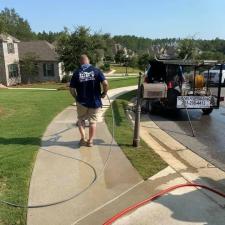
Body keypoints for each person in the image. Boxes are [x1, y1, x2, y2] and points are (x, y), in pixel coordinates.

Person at [69, 54, 109, 147]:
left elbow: (71, 89)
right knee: (92, 121)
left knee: (81, 120)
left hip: (81, 102)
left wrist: (76, 98)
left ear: (80, 62)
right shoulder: (96, 71)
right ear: (89, 61)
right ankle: (90, 141)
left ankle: (83, 139)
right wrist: (104, 93)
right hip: (95, 102)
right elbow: (105, 84)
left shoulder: (77, 72)